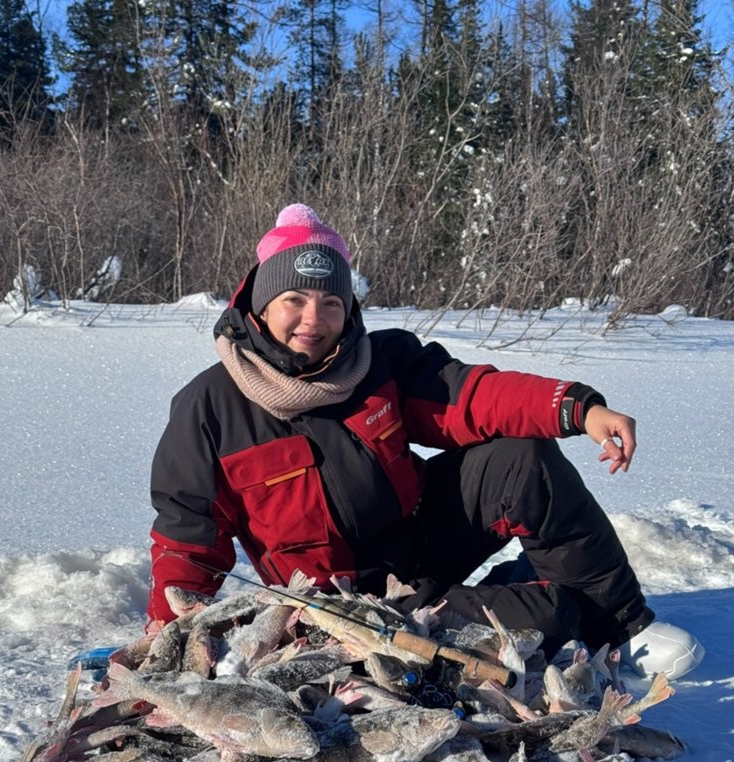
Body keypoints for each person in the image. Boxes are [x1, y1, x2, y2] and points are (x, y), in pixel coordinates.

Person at [147, 204, 704, 680]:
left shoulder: (380, 362)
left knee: (521, 460)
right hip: (347, 606)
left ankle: (619, 628)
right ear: (260, 304)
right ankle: (546, 598)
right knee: (549, 619)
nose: (313, 319)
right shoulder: (208, 407)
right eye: (294, 298)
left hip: (418, 545)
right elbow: (187, 538)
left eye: (332, 303)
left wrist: (579, 408)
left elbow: (470, 398)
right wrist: (168, 642)